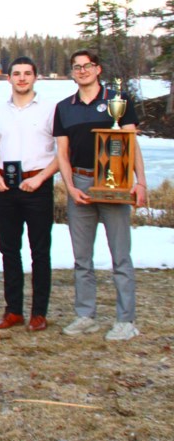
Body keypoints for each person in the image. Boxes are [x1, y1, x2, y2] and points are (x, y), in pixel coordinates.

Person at [54, 49, 146, 341]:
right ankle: (85, 315)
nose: (82, 71)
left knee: (120, 256)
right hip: (79, 183)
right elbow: (62, 153)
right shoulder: (64, 107)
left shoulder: (117, 102)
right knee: (82, 259)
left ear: (98, 69)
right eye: (76, 67)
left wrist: (140, 182)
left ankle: (125, 320)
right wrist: (70, 187)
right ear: (72, 73)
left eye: (87, 66)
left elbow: (131, 144)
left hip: (114, 184)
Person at [0, 57, 58, 332]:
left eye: (27, 74)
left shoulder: (50, 109)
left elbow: (61, 154)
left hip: (37, 186)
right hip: (7, 188)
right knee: (9, 251)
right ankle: (13, 310)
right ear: (9, 78)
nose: (22, 78)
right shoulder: (0, 111)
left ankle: (38, 313)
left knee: (40, 252)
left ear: (35, 78)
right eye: (16, 74)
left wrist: (41, 178)